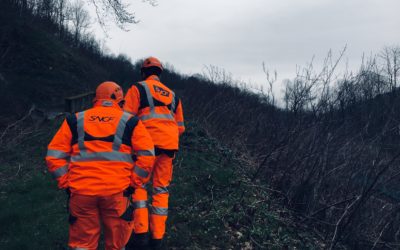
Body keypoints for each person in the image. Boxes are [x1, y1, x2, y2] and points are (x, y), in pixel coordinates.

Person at [45, 81, 155, 250]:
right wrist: (134, 184)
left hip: (81, 192)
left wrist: (66, 183)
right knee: (116, 244)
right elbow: (147, 155)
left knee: (82, 245)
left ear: (95, 99)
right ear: (120, 100)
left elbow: (53, 156)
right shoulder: (131, 122)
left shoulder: (74, 119)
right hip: (116, 192)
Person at [124, 57, 185, 248]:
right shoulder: (173, 95)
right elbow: (181, 127)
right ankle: (157, 238)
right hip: (169, 146)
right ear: (160, 73)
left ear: (143, 72)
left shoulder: (137, 88)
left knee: (139, 185)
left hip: (146, 146)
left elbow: (126, 119)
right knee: (161, 190)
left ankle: (140, 234)